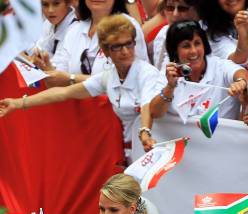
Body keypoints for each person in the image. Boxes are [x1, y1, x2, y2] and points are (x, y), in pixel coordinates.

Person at [0, 14, 160, 157]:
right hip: (129, 152)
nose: (125, 51)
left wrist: (145, 132)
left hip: (152, 148)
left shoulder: (147, 73)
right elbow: (64, 93)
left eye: (129, 44)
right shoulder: (109, 77)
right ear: (106, 51)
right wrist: (18, 103)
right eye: (117, 47)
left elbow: (147, 104)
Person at [149, 21, 247, 123]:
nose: (194, 51)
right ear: (175, 51)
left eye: (197, 43)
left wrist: (241, 82)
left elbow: (242, 73)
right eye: (186, 46)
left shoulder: (219, 66)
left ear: (204, 45)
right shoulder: (169, 74)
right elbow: (154, 113)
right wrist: (170, 87)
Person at [44, 0, 147, 86]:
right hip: (77, 107)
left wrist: (72, 78)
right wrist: (45, 66)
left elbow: (129, 79)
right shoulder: (75, 30)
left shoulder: (127, 25)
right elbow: (60, 76)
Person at [151, 0, 200, 69]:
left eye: (182, 8)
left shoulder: (207, 36)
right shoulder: (162, 34)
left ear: (196, 11)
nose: (175, 14)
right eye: (170, 8)